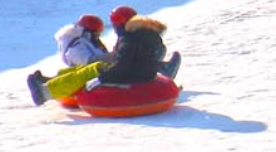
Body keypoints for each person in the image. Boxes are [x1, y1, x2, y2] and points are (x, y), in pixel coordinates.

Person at [27, 16, 169, 106]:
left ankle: (45, 92)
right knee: (93, 66)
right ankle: (49, 81)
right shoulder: (149, 39)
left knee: (88, 72)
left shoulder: (130, 40)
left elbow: (124, 66)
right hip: (139, 75)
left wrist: (101, 78)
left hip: (131, 77)